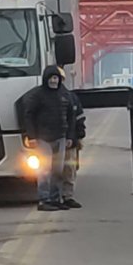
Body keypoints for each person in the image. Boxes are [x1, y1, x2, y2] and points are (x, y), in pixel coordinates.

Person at [20, 65, 76, 211]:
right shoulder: (37, 95)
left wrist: (70, 136)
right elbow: (28, 115)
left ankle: (56, 199)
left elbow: (71, 116)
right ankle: (43, 200)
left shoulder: (65, 95)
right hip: (43, 139)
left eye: (56, 78)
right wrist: (31, 136)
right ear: (46, 79)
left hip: (61, 138)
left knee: (58, 170)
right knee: (44, 171)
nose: (54, 81)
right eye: (51, 78)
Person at [58, 67, 85, 208]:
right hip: (52, 139)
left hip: (70, 140)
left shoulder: (71, 97)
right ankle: (55, 197)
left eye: (58, 78)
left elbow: (79, 118)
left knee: (69, 169)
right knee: (53, 170)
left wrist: (79, 136)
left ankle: (67, 196)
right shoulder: (42, 96)